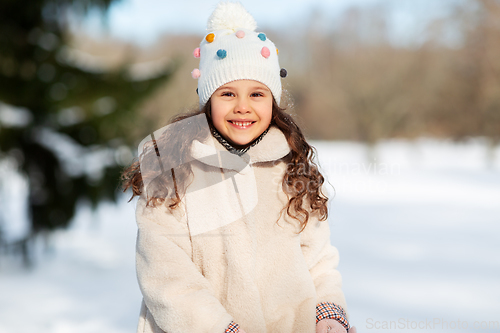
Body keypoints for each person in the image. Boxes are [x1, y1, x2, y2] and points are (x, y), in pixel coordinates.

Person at [121, 2, 353, 332]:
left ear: (272, 101)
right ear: (208, 100)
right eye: (228, 93)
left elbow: (317, 259)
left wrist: (329, 314)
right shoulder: (173, 168)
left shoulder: (291, 167)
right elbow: (165, 273)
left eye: (257, 94)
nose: (242, 107)